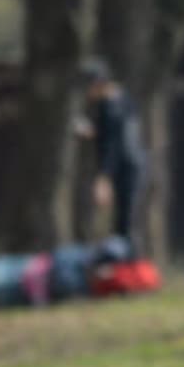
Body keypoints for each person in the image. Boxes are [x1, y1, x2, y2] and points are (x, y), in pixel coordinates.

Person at [76, 66, 145, 243]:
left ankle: (126, 265)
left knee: (124, 222)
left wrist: (104, 178)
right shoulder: (122, 99)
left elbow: (113, 145)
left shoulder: (110, 107)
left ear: (98, 84)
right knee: (126, 220)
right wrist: (95, 132)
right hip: (133, 164)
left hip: (125, 168)